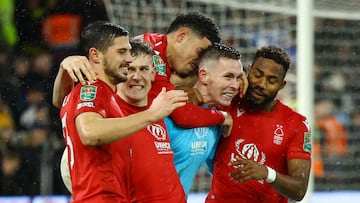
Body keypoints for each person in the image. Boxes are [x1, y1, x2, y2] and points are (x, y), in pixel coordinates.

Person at [59, 21, 187, 202]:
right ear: (95, 55)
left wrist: (62, 71)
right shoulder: (94, 89)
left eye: (128, 51)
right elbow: (90, 132)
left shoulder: (95, 93)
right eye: (121, 52)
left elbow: (58, 100)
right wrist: (152, 115)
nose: (128, 58)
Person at [52, 11, 238, 132]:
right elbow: (182, 115)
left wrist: (235, 75)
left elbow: (60, 101)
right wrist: (222, 117)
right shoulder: (151, 56)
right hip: (97, 148)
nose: (199, 61)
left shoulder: (157, 48)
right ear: (182, 36)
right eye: (200, 51)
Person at [206, 45, 312, 203]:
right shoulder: (229, 100)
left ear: (281, 85)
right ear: (248, 71)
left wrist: (268, 174)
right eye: (257, 74)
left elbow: (299, 190)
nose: (261, 84)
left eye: (272, 80)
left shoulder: (296, 124)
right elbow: (195, 85)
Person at [164, 42, 244, 197]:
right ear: (203, 75)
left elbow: (220, 171)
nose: (235, 85)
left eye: (238, 78)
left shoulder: (216, 121)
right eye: (228, 77)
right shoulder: (170, 107)